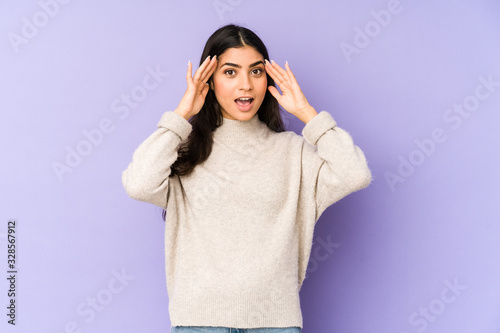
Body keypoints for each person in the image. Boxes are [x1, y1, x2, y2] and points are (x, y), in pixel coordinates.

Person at [121, 24, 372, 333]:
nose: (245, 85)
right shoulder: (185, 149)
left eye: (255, 72)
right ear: (209, 82)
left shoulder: (294, 153)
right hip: (199, 322)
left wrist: (309, 114)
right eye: (230, 72)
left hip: (274, 324)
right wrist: (182, 113)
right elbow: (139, 183)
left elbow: (355, 173)